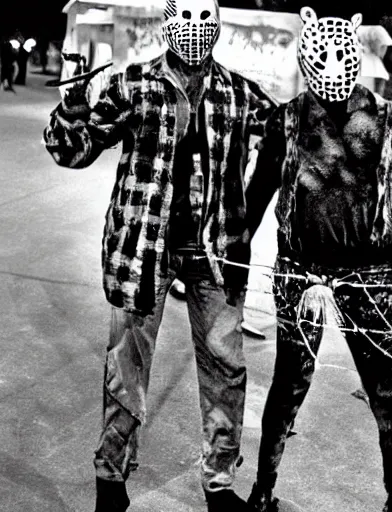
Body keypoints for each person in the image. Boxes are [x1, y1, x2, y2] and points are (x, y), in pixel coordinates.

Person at [43, 0, 276, 510]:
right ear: (167, 23)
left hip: (216, 252)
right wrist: (72, 106)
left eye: (203, 19)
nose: (193, 30)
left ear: (216, 26)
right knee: (125, 364)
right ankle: (111, 479)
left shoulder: (239, 93)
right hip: (144, 251)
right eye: (184, 18)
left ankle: (219, 485)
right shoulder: (134, 85)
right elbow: (70, 149)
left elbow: (288, 138)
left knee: (226, 366)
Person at [242, 8, 392, 512]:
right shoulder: (285, 121)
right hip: (299, 275)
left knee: (386, 395)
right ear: (306, 56)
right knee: (288, 387)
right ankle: (262, 492)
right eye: (322, 53)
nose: (332, 64)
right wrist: (227, 256)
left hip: (370, 277)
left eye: (340, 52)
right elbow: (255, 197)